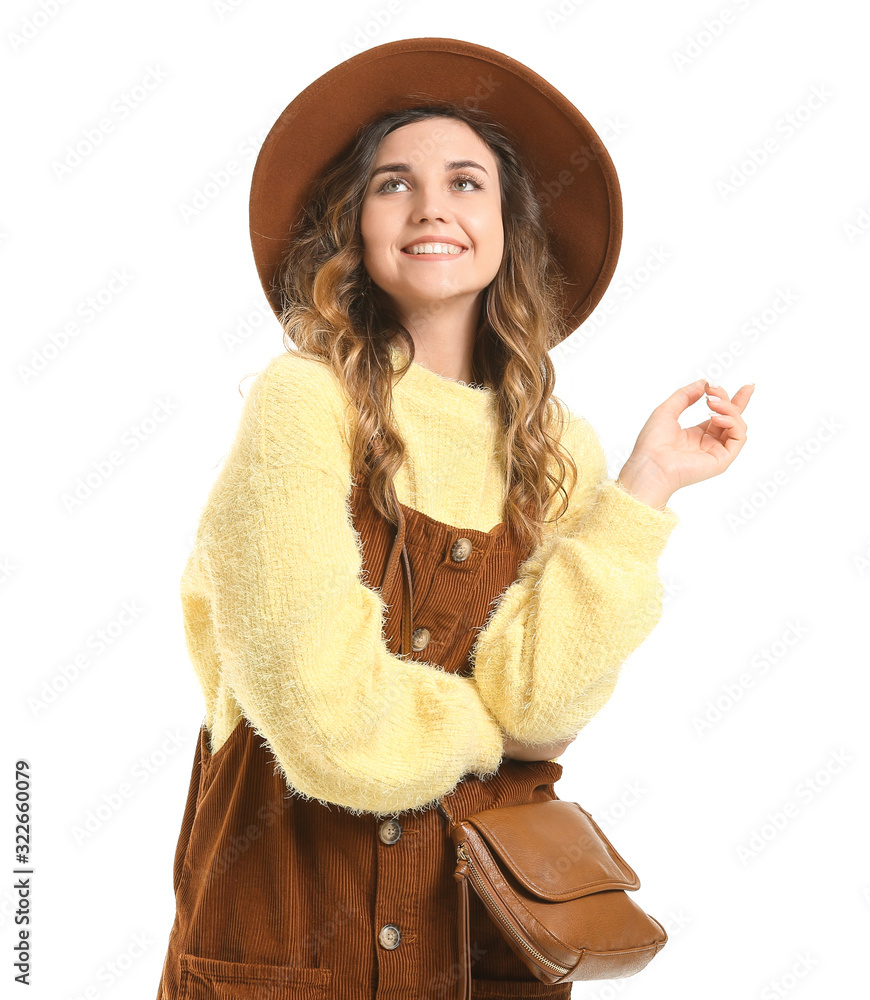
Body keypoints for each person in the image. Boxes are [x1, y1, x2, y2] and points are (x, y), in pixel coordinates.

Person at [156, 38, 753, 1000]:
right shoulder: (302, 403)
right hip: (292, 936)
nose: (433, 204)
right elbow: (327, 722)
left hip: (486, 952)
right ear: (352, 227)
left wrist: (643, 488)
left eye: (466, 182)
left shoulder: (559, 449)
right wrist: (489, 729)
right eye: (395, 183)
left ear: (508, 227)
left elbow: (547, 709)